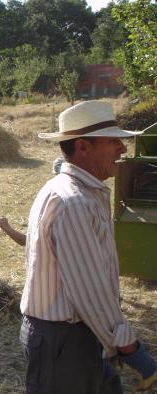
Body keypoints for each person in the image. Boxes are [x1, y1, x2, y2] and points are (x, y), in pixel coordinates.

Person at [21, 100, 157, 393]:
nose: (122, 149)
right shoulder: (74, 202)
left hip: (84, 332)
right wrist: (130, 348)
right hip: (65, 342)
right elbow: (89, 289)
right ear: (83, 147)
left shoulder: (82, 193)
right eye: (113, 142)